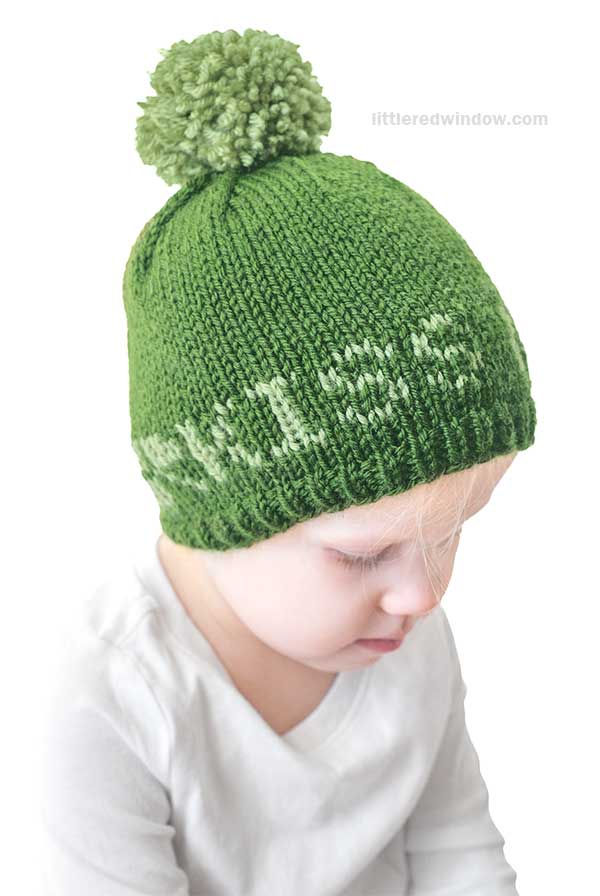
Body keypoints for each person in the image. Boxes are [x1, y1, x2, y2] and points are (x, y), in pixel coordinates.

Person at [40, 27, 537, 896]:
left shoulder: (402, 643)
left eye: (453, 532)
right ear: (214, 506)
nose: (424, 594)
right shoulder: (102, 696)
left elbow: (462, 855)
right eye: (361, 552)